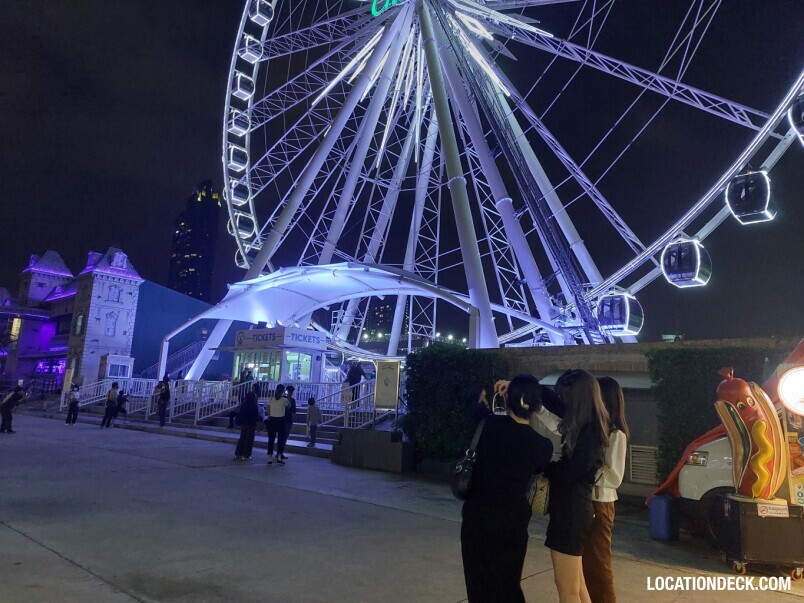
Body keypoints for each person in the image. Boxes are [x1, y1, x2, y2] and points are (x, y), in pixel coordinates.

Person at [461, 374, 553, 602]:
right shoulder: (542, 446)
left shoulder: (489, 424)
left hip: (477, 518)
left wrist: (505, 390)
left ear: (508, 399)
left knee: (478, 583)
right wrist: (522, 389)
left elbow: (471, 402)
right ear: (534, 406)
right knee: (507, 584)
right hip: (512, 522)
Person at [533, 369, 609, 603]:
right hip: (574, 511)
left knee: (567, 590)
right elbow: (552, 406)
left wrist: (545, 466)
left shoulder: (589, 434)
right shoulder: (591, 427)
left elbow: (569, 473)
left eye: (565, 396)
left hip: (571, 513)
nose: (562, 401)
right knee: (578, 588)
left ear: (576, 399)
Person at [581, 377, 629, 603]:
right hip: (589, 502)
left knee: (598, 566)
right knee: (586, 565)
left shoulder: (616, 435)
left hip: (600, 504)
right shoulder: (596, 430)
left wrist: (587, 471)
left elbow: (614, 476)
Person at [234, 383, 261, 461]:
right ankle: (246, 454)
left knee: (242, 438)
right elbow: (256, 415)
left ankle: (238, 453)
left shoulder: (244, 404)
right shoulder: (254, 405)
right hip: (251, 423)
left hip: (244, 423)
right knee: (249, 440)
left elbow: (241, 413)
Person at [265, 384, 288, 465]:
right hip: (281, 420)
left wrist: (269, 417)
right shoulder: (284, 400)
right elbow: (288, 406)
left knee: (271, 439)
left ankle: (269, 458)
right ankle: (279, 457)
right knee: (281, 439)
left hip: (272, 420)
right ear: (282, 391)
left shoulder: (271, 399)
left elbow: (268, 409)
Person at [279, 385, 297, 460]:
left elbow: (294, 410)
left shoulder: (286, 399)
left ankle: (280, 452)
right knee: (283, 437)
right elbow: (294, 411)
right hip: (285, 420)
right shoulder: (285, 399)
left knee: (283, 438)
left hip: (286, 419)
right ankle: (280, 453)